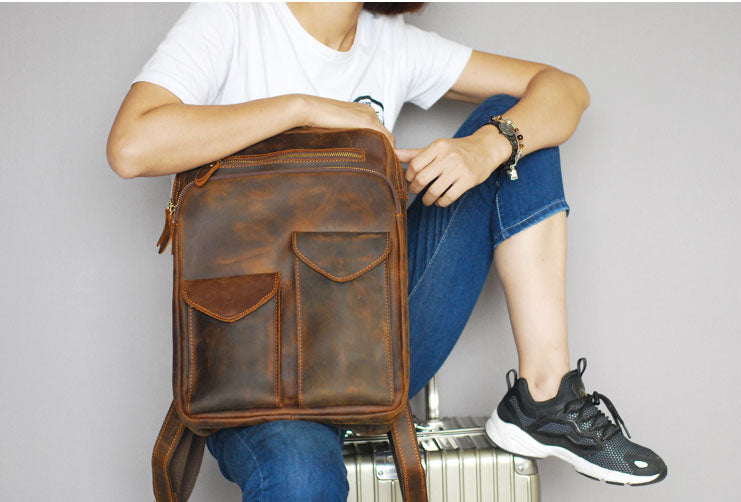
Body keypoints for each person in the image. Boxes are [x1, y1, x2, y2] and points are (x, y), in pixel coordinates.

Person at [107, 2, 667, 499]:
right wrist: (302, 109)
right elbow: (131, 146)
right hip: (254, 361)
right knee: (301, 477)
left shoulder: (392, 45)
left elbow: (565, 89)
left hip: (369, 344)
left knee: (517, 130)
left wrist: (486, 148)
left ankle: (544, 398)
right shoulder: (233, 17)